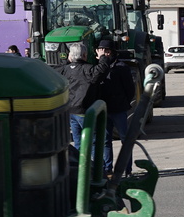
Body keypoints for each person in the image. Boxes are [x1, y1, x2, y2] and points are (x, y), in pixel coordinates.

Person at [54, 42, 106, 154]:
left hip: (71, 111)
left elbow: (55, 70)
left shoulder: (65, 69)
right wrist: (102, 57)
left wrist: (67, 61)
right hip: (84, 111)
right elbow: (102, 70)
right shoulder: (88, 69)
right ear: (84, 55)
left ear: (70, 56)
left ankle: (79, 167)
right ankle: (92, 168)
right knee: (92, 142)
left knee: (78, 142)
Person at [95, 39, 136, 177]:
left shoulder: (121, 67)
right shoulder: (99, 66)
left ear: (112, 52)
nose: (104, 53)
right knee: (106, 140)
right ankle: (107, 169)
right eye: (102, 51)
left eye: (106, 51)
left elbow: (130, 89)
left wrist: (124, 102)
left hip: (119, 109)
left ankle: (127, 169)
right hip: (105, 110)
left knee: (125, 139)